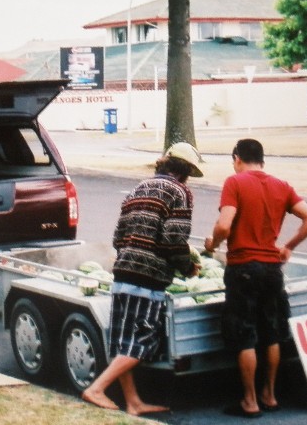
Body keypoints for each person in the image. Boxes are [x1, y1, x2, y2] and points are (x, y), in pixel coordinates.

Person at [82, 142, 203, 416]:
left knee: (125, 341)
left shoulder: (138, 188)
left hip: (123, 271)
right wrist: (188, 267)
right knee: (143, 341)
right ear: (185, 172)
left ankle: (133, 402)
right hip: (149, 278)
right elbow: (174, 240)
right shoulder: (180, 192)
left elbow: (118, 237)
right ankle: (96, 388)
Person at [204, 138, 307, 418]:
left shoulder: (235, 182)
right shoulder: (282, 186)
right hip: (272, 269)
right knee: (271, 334)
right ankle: (270, 394)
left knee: (244, 335)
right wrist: (288, 246)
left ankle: (250, 401)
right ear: (263, 161)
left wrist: (213, 243)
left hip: (243, 267)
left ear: (236, 158)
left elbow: (224, 225)